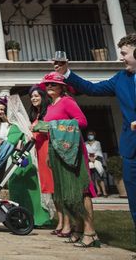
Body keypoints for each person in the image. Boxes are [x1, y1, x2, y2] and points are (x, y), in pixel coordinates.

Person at [55, 34, 136, 232]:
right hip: (131, 150)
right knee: (135, 203)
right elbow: (91, 89)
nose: (121, 58)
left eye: (124, 53)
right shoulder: (120, 79)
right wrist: (66, 73)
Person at [37, 72, 99, 248]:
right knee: (67, 190)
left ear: (62, 87)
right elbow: (50, 131)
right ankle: (77, 229)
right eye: (47, 85)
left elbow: (82, 121)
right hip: (56, 152)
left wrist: (53, 125)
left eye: (53, 84)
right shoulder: (50, 106)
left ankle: (90, 232)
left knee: (81, 190)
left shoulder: (67, 102)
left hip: (73, 151)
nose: (49, 87)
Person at [5, 94, 52, 227]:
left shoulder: (15, 126)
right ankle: (40, 217)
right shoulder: (25, 124)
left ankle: (23, 217)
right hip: (28, 159)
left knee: (18, 188)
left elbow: (10, 143)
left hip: (20, 161)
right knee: (33, 190)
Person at [28, 85, 61, 233]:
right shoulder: (37, 114)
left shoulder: (49, 112)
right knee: (50, 188)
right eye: (32, 96)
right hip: (39, 153)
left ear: (43, 96)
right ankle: (61, 221)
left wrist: (37, 129)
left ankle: (63, 222)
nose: (34, 98)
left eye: (36, 95)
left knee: (56, 187)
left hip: (49, 150)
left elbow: (52, 128)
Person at [85, 131, 108, 197]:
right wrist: (89, 158)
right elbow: (85, 152)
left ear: (94, 135)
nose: (90, 136)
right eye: (89, 135)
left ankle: (104, 192)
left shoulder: (97, 143)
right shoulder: (85, 143)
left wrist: (94, 158)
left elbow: (98, 151)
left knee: (99, 176)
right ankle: (98, 191)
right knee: (93, 176)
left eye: (91, 135)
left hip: (97, 159)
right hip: (89, 159)